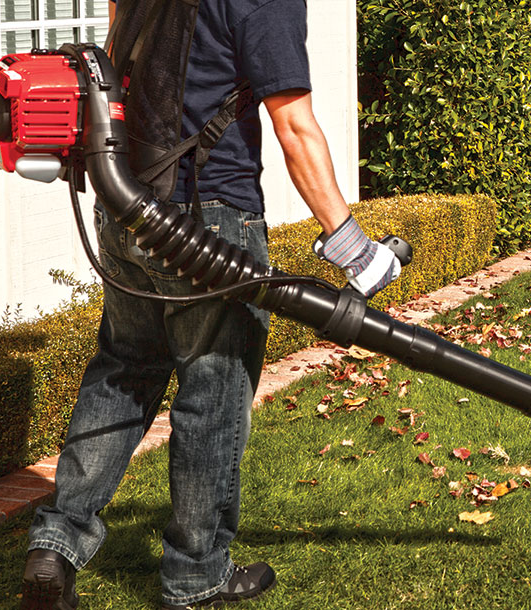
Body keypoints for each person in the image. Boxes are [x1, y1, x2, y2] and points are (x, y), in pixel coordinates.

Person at [20, 1, 401, 608]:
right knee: (213, 396)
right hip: (209, 220)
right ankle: (196, 574)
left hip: (126, 209)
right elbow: (294, 125)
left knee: (122, 371)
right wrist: (353, 246)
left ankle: (55, 544)